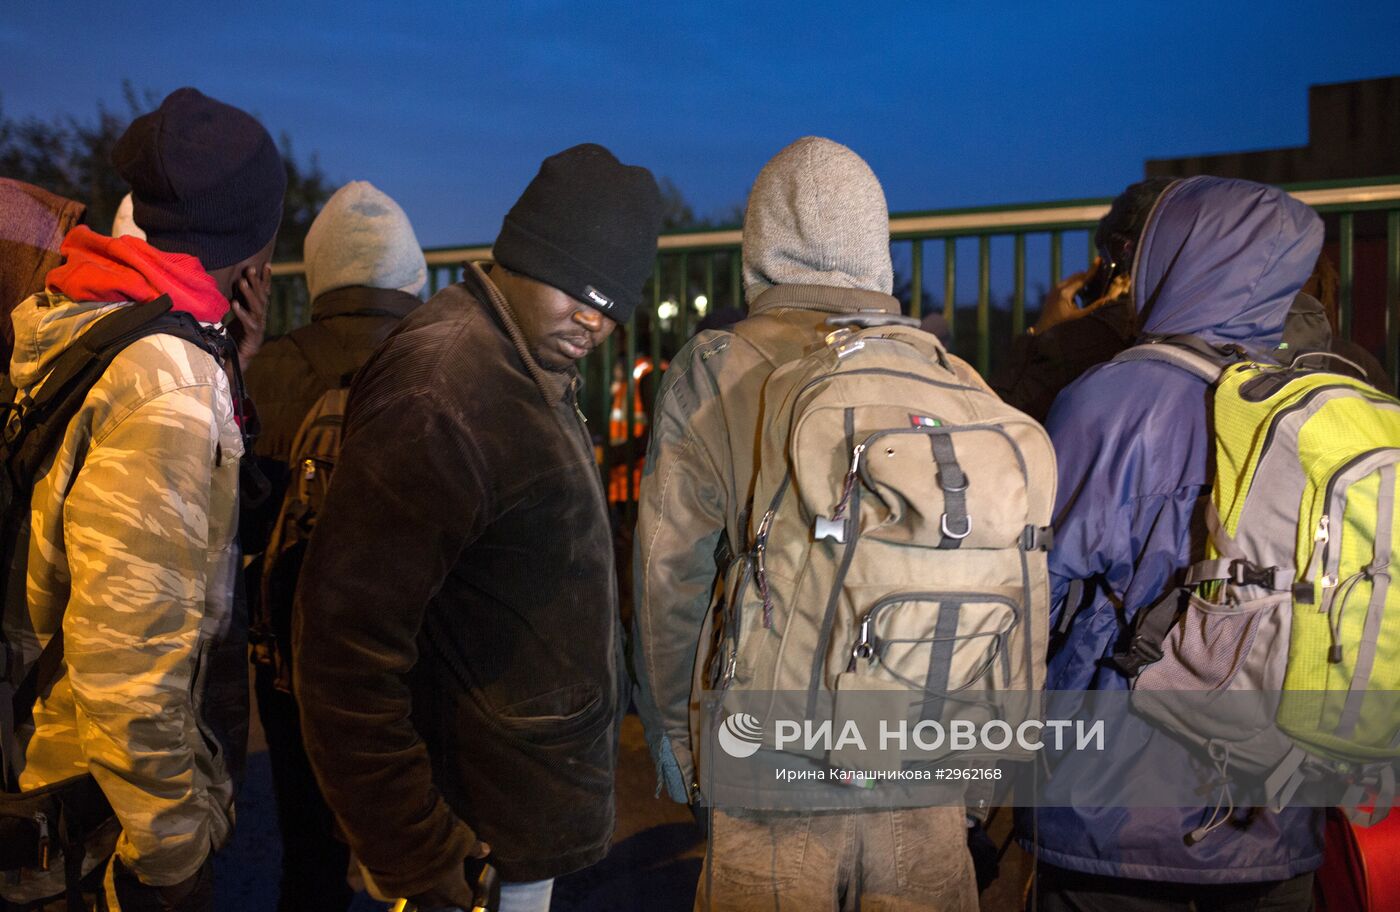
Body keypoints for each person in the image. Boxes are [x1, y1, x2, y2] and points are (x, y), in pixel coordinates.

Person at [292, 144, 662, 912]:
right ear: (523, 257)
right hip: (474, 843)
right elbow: (342, 651)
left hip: (510, 819)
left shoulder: (518, 362)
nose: (594, 318)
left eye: (613, 301)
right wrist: (420, 854)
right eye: (577, 289)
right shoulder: (444, 391)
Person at [633, 136, 978, 911]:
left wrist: (684, 748)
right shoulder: (947, 377)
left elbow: (669, 577)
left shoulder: (715, 369)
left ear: (759, 250)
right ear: (877, 249)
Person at [2, 87, 283, 909]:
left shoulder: (86, 309)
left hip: (48, 786)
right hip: (90, 837)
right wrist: (173, 863)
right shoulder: (167, 384)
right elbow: (130, 669)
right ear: (255, 245)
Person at [1023, 176, 1325, 911]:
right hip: (1278, 809)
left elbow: (1029, 596)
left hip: (1115, 818)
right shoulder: (1320, 400)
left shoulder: (1114, 402)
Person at [241, 180, 427, 912]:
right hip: (412, 658)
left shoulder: (270, 367)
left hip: (293, 659)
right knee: (422, 853)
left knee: (309, 860)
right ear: (411, 274)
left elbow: (245, 526)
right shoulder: (445, 363)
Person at [991, 178, 1172, 422]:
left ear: (1113, 261)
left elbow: (996, 419)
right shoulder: (1221, 331)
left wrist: (1041, 334)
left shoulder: (1078, 342)